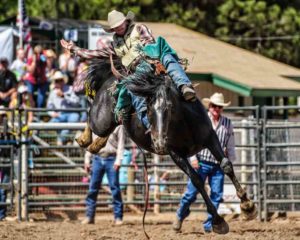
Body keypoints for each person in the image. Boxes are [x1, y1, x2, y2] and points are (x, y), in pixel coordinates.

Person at [60, 9, 196, 130]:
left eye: (119, 24)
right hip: (135, 72)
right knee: (131, 88)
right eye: (115, 27)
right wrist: (74, 49)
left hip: (151, 62)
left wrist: (140, 56)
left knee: (167, 57)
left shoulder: (139, 28)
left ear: (126, 21)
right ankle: (148, 124)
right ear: (112, 29)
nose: (118, 27)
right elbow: (95, 53)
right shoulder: (115, 45)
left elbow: (150, 43)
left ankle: (184, 86)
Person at [173, 92, 236, 233]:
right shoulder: (200, 120)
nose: (216, 109)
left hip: (218, 165)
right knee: (191, 194)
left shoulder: (228, 124)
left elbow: (230, 145)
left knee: (216, 195)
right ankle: (180, 215)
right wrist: (193, 158)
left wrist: (229, 163)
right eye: (214, 106)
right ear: (209, 106)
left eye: (219, 106)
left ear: (222, 108)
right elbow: (191, 140)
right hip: (201, 162)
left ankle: (209, 225)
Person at [81, 125, 125, 225]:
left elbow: (121, 144)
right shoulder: (95, 123)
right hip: (97, 158)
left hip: (112, 159)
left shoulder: (118, 126)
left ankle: (118, 217)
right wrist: (87, 159)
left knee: (115, 188)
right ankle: (89, 216)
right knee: (93, 188)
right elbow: (90, 140)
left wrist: (118, 160)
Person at [47, 70, 80, 145]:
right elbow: (49, 107)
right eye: (57, 81)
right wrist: (52, 113)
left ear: (63, 81)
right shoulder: (52, 92)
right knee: (49, 125)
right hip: (60, 114)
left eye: (60, 80)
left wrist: (64, 96)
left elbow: (77, 102)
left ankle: (61, 139)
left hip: (71, 113)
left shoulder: (70, 89)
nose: (58, 82)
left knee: (74, 119)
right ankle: (64, 140)